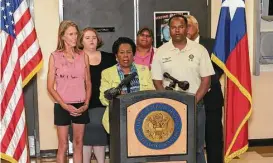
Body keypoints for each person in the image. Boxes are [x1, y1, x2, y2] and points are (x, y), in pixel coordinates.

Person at [151, 15, 215, 163]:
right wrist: (167, 100)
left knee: (197, 147)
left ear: (186, 29)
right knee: (174, 146)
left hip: (196, 106)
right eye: (173, 27)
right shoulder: (161, 51)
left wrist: (194, 101)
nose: (177, 30)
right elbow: (157, 80)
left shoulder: (199, 50)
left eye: (180, 27)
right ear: (169, 30)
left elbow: (206, 80)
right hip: (171, 107)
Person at [47, 20, 91, 163]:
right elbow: (49, 86)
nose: (74, 37)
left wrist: (86, 104)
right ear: (62, 36)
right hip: (62, 105)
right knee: (63, 145)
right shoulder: (54, 56)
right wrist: (64, 105)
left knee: (78, 143)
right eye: (70, 34)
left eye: (75, 34)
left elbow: (88, 83)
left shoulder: (83, 56)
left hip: (80, 105)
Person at [75, 27, 116, 163]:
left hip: (102, 104)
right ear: (81, 41)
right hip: (83, 103)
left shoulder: (109, 58)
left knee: (99, 137)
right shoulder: (76, 58)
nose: (91, 40)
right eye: (87, 38)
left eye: (94, 37)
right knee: (85, 138)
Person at [187, 15, 224, 163]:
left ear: (197, 27)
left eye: (189, 25)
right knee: (190, 140)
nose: (186, 29)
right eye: (184, 26)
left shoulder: (212, 44)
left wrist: (205, 83)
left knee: (213, 139)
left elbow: (220, 67)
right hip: (187, 100)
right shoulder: (179, 46)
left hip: (210, 99)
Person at [100, 37, 155, 133]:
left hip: (142, 119)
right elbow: (103, 99)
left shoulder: (144, 70)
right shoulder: (107, 73)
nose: (126, 56)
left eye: (129, 52)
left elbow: (151, 94)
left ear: (133, 55)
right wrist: (113, 95)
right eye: (122, 53)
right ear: (116, 56)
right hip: (117, 119)